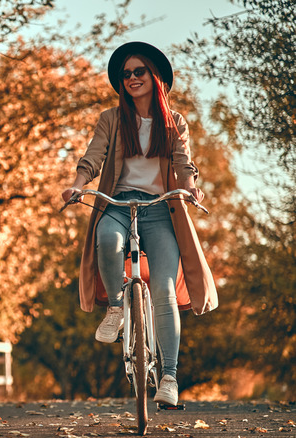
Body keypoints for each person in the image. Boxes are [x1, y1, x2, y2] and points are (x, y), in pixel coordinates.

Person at [61, 42, 218, 406]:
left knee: (163, 291)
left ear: (154, 77)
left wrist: (192, 189)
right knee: (108, 241)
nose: (131, 78)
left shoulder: (174, 122)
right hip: (119, 201)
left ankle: (169, 377)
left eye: (138, 72)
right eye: (126, 74)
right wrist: (78, 185)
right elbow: (93, 156)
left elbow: (184, 164)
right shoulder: (111, 119)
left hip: (162, 209)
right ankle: (117, 307)